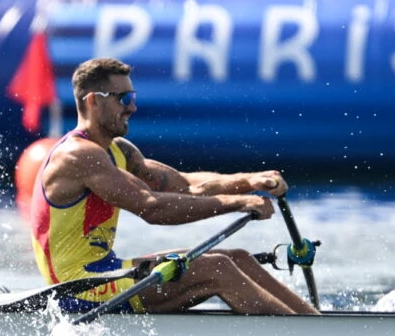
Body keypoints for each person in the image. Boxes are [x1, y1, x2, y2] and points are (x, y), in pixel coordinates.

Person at [30, 57, 318, 315]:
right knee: (217, 268)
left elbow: (186, 185)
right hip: (77, 288)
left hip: (105, 271)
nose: (132, 106)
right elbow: (152, 207)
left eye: (132, 96)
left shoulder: (119, 150)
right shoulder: (78, 155)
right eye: (123, 98)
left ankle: (312, 324)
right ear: (93, 101)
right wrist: (238, 203)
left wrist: (250, 181)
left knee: (237, 258)